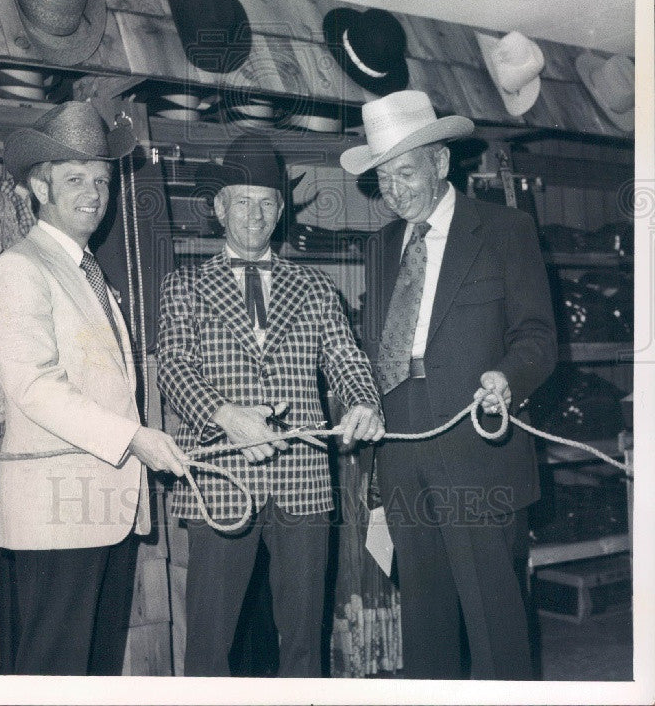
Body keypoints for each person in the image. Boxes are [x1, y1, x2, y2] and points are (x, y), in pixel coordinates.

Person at [341, 89, 557, 680]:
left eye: (405, 172)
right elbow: (371, 349)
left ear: (440, 162)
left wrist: (508, 378)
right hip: (402, 446)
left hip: (475, 445)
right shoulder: (379, 248)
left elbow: (538, 336)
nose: (395, 190)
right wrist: (361, 401)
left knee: (494, 619)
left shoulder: (506, 229)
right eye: (383, 178)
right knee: (425, 617)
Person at [156, 133, 385, 677]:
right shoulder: (183, 285)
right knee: (210, 642)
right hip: (220, 477)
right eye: (242, 201)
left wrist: (364, 401)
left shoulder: (314, 286)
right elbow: (172, 367)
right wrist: (227, 416)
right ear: (219, 208)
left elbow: (345, 357)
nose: (255, 215)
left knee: (305, 638)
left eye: (266, 203)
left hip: (303, 479)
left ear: (280, 211)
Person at [0, 101, 186, 675]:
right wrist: (134, 439)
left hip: (105, 510)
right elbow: (34, 385)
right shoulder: (20, 268)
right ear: (39, 187)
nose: (94, 192)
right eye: (75, 179)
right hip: (56, 519)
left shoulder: (86, 269)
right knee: (51, 673)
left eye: (101, 179)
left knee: (93, 672)